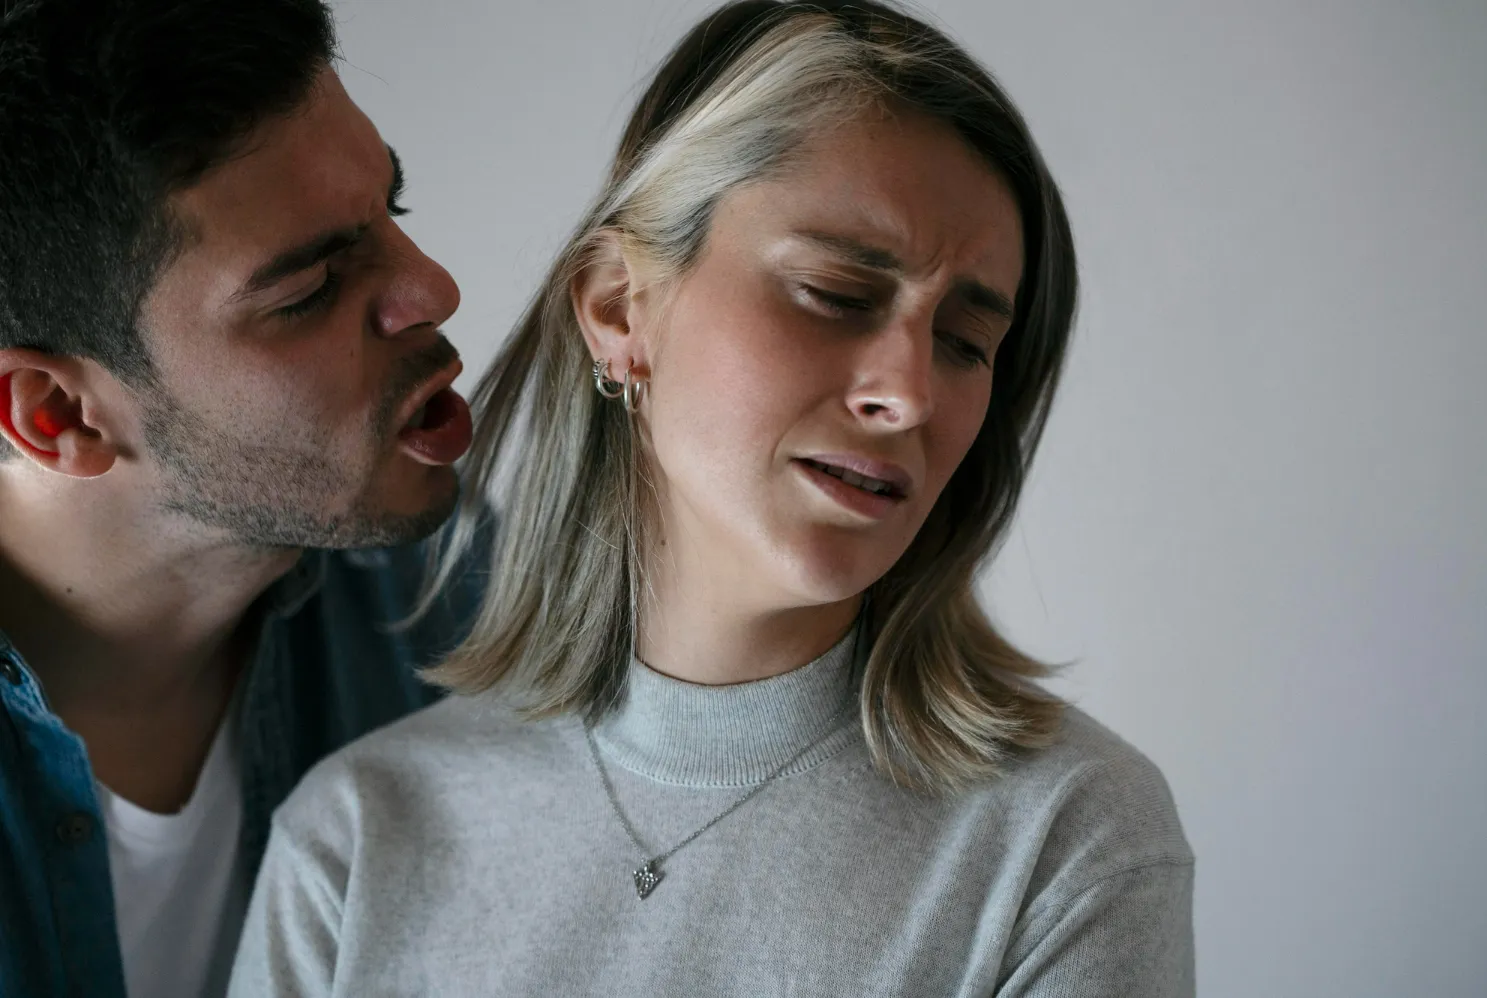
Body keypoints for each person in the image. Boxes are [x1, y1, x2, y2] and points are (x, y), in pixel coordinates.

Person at [230, 2, 1194, 995]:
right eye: (835, 290)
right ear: (619, 308)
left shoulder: (1065, 837)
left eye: (963, 343)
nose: (907, 393)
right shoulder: (355, 838)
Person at [0, 2, 488, 996]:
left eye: (394, 210)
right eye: (309, 287)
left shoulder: (452, 612)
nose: (433, 288)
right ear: (58, 416)